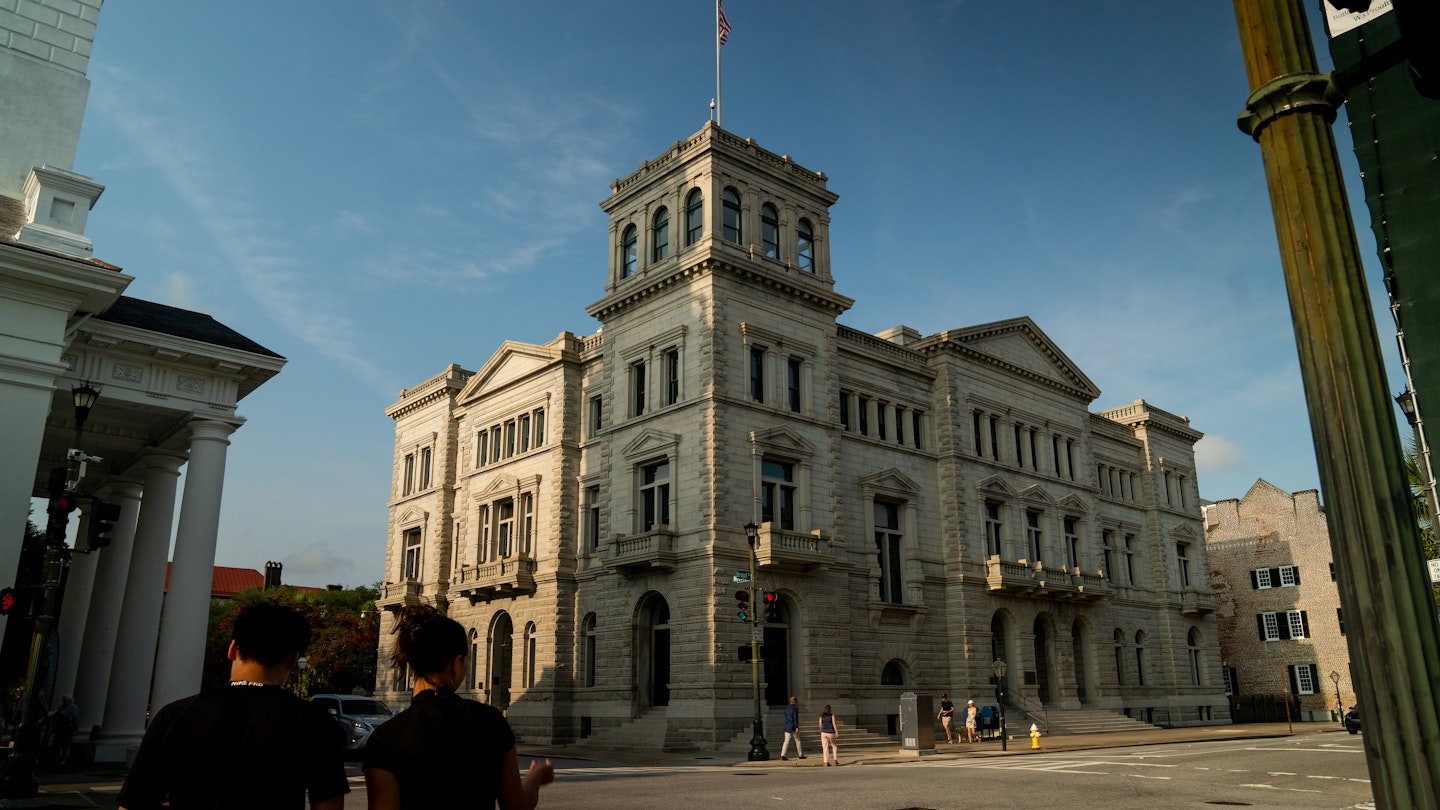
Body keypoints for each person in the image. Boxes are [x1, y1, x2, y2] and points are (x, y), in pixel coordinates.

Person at [118, 602, 348, 810]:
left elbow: (134, 803)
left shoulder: (174, 715)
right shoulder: (317, 723)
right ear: (293, 658)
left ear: (232, 649)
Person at [364, 604, 554, 809]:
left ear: (412, 664)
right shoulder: (491, 722)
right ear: (456, 663)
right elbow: (517, 806)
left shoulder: (386, 738)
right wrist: (536, 776)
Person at [49, 695, 79, 764]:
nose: (64, 702)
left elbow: (74, 717)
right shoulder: (62, 707)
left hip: (67, 729)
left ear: (70, 701)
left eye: (65, 700)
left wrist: (65, 715)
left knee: (65, 744)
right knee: (58, 744)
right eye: (63, 700)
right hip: (60, 728)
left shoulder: (74, 707)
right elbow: (56, 713)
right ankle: (56, 758)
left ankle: (63, 759)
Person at [779, 695, 806, 761]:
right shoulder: (794, 708)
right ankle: (800, 754)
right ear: (794, 702)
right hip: (793, 726)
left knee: (786, 741)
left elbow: (786, 716)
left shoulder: (787, 708)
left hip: (787, 726)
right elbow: (795, 718)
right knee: (797, 740)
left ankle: (783, 754)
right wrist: (796, 726)